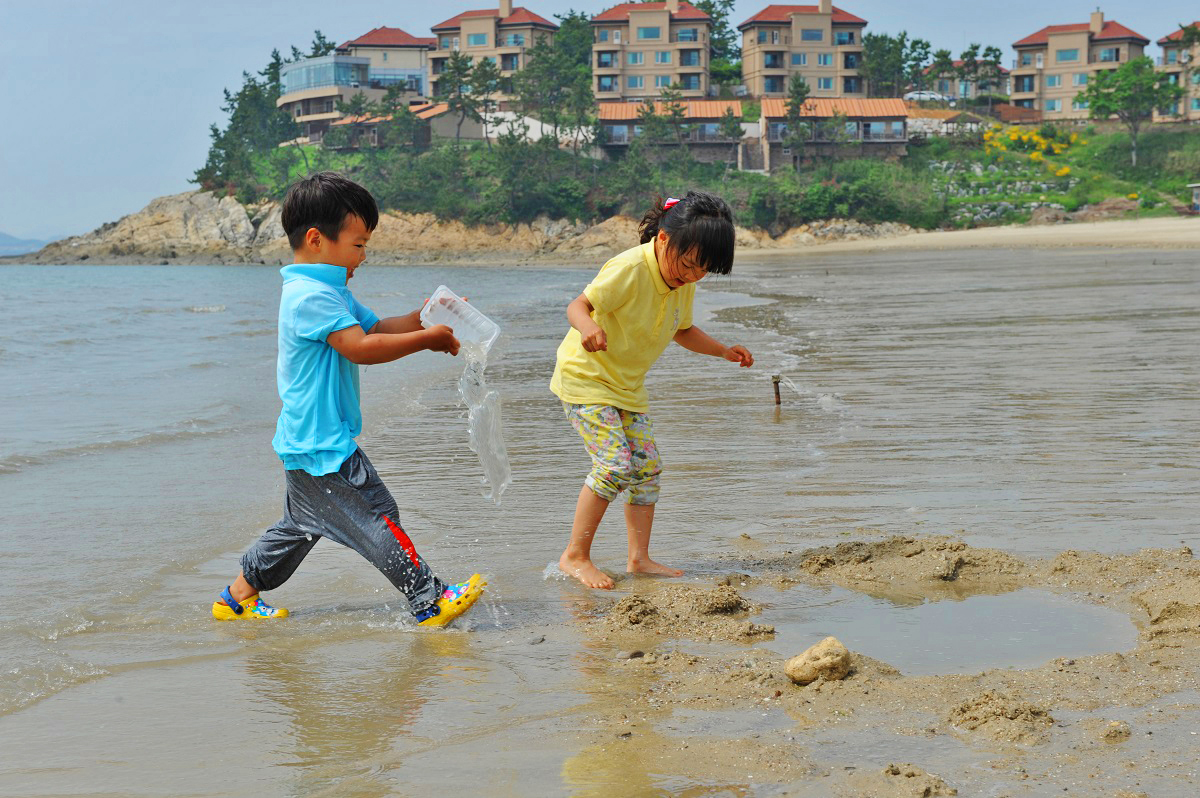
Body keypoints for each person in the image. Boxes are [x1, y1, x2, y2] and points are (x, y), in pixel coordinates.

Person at [212, 171, 485, 625]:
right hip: (321, 443)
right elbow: (360, 347)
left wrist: (425, 317)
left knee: (301, 526)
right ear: (317, 239)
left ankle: (237, 597)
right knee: (376, 517)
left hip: (309, 437)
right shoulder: (310, 297)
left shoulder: (328, 291)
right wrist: (427, 340)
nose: (363, 256)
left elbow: (377, 329)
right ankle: (429, 599)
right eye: (358, 245)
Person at [550, 191, 754, 590]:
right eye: (689, 265)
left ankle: (639, 558)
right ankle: (574, 556)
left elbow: (683, 330)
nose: (692, 276)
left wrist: (722, 351)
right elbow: (577, 306)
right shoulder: (629, 268)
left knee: (647, 469)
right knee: (614, 467)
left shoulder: (683, 280)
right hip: (585, 378)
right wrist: (588, 327)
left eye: (703, 271)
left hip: (626, 386)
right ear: (663, 239)